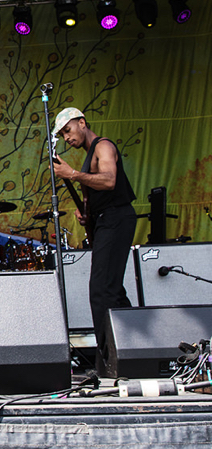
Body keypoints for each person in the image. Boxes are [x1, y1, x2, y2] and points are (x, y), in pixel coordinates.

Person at [52, 107, 136, 372]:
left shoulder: (103, 146)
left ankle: (109, 360)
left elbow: (110, 180)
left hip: (117, 219)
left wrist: (73, 174)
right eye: (63, 135)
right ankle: (132, 350)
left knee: (101, 290)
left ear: (82, 123)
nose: (67, 138)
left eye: (68, 130)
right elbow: (97, 189)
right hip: (105, 220)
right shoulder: (90, 156)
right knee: (112, 290)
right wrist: (86, 211)